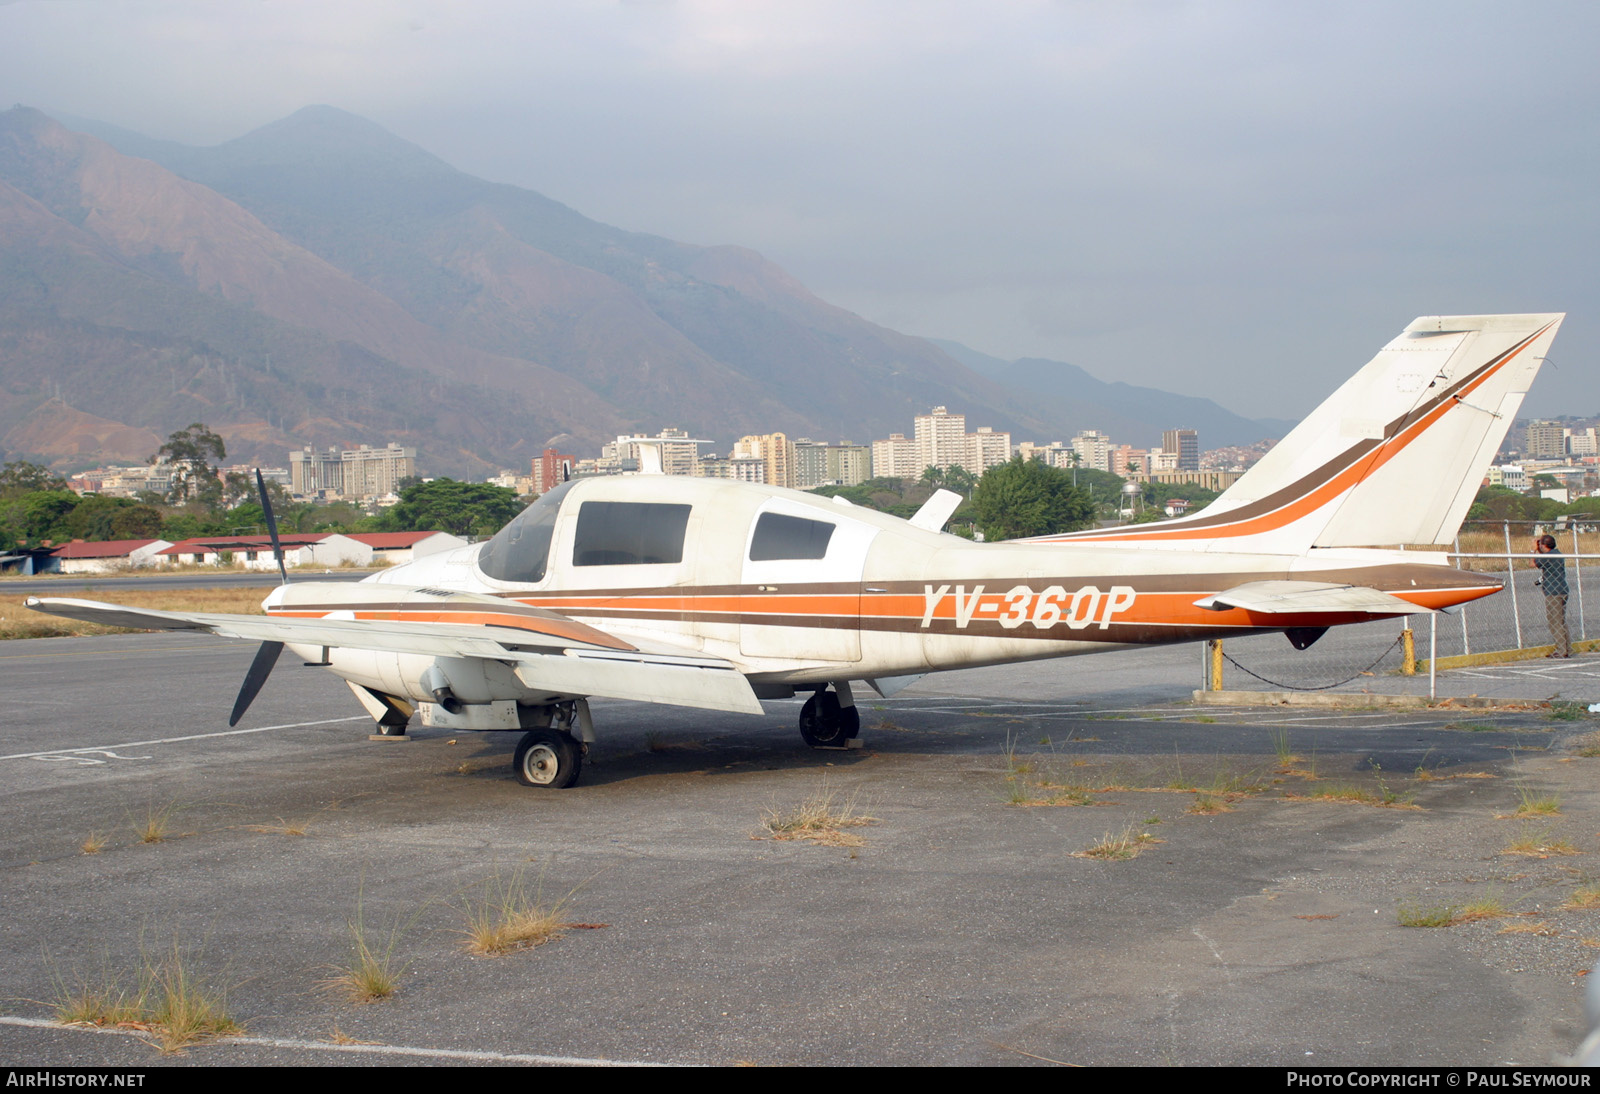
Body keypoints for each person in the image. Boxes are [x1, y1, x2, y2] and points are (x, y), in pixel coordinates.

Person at [1533, 534, 1571, 658]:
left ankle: (1561, 650)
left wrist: (1533, 549)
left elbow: (1532, 563)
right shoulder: (1557, 554)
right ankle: (1566, 647)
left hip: (1553, 593)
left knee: (1555, 622)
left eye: (1541, 545)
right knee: (1561, 621)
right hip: (1563, 590)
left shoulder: (1548, 556)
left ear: (1544, 546)